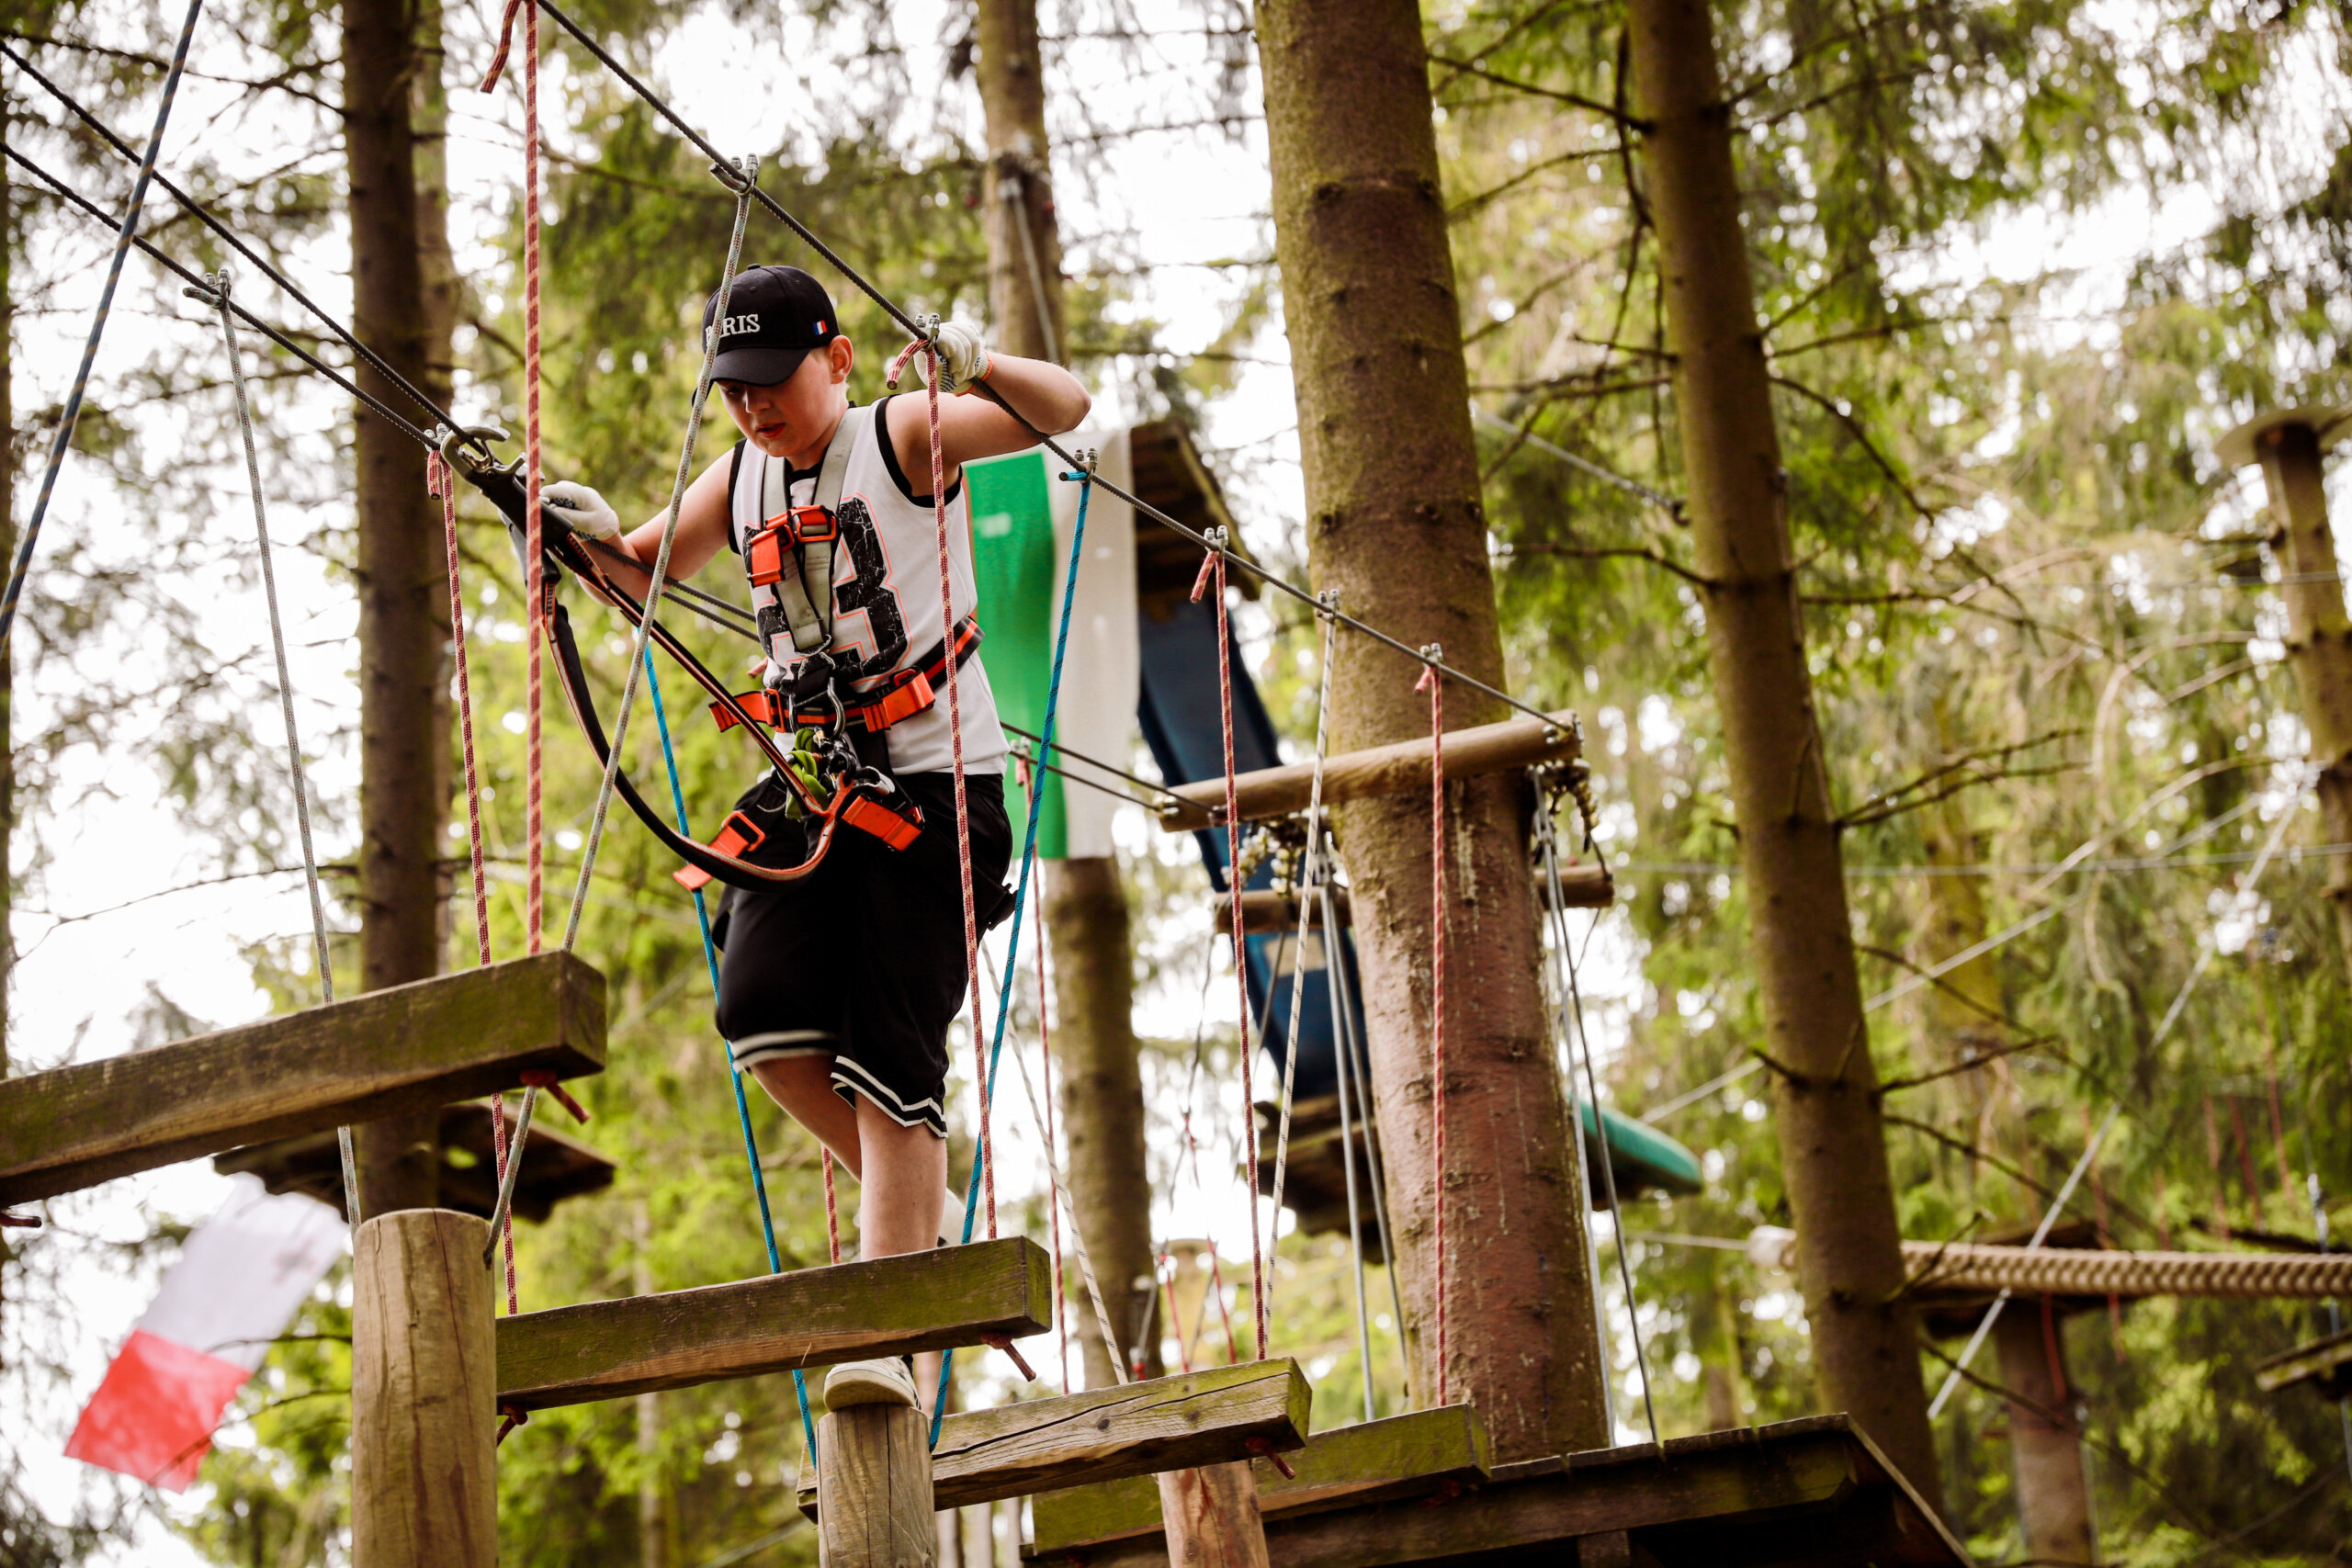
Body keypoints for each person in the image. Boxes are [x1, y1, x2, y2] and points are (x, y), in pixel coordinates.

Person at [546, 265, 1090, 1410]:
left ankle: (885, 1331)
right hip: (819, 791)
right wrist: (568, 531)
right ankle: (921, 1213)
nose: (753, 408)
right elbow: (637, 575)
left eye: (773, 380)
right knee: (761, 1017)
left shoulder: (904, 435)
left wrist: (970, 355)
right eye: (734, 388)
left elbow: (1062, 410)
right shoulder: (737, 476)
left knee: (893, 1069)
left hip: (938, 792)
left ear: (835, 360)